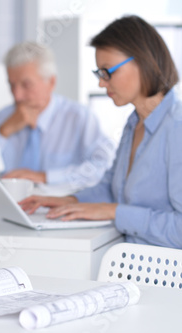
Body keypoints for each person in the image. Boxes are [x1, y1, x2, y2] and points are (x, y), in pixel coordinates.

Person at [20, 15, 182, 249]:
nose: (101, 83)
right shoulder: (134, 122)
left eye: (107, 72)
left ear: (143, 62)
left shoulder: (177, 128)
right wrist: (66, 201)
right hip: (127, 261)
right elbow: (110, 187)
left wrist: (115, 212)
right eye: (99, 74)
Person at [0, 41, 114, 190]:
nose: (17, 96)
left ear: (51, 82)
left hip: (59, 208)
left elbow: (103, 166)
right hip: (7, 210)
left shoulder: (79, 117)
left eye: (26, 85)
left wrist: (45, 177)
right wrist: (3, 133)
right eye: (12, 85)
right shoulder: (1, 119)